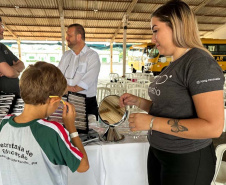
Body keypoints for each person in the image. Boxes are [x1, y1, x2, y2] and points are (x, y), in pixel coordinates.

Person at [120, 1, 225, 185]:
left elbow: (213, 127)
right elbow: (168, 108)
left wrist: (152, 122)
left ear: (176, 27)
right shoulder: (174, 63)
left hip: (187, 159)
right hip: (159, 152)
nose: (153, 39)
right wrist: (138, 101)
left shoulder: (199, 63)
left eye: (155, 30)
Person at [0, 62, 89, 185]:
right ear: (54, 100)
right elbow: (83, 166)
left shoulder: (4, 123)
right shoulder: (52, 130)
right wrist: (71, 128)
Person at [58, 24, 100, 119]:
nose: (67, 38)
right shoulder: (66, 55)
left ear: (79, 37)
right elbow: (57, 75)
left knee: (87, 132)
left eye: (69, 35)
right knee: (66, 131)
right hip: (66, 101)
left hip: (86, 103)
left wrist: (66, 88)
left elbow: (86, 82)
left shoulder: (92, 56)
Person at [0, 17, 25, 95]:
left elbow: (22, 65)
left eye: (2, 26)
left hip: (13, 95)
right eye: (0, 26)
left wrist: (8, 70)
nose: (2, 29)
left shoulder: (2, 47)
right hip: (3, 98)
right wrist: (16, 72)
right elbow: (10, 73)